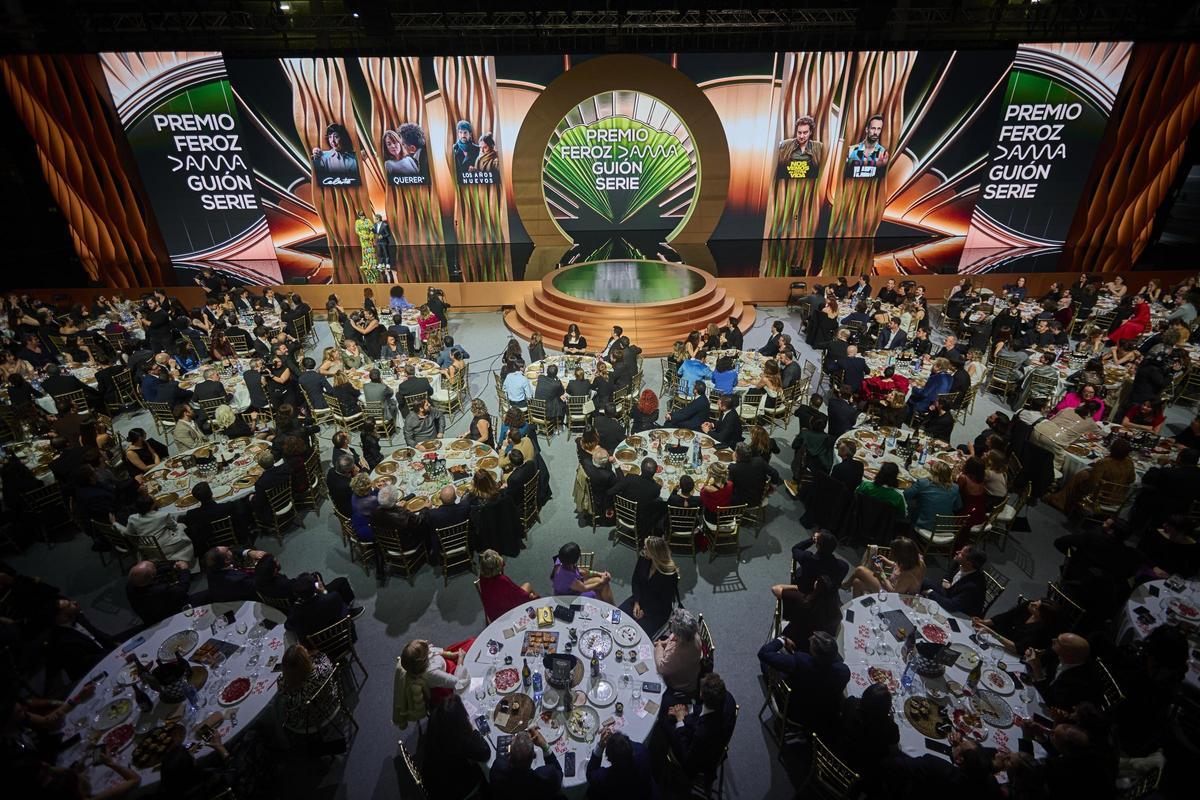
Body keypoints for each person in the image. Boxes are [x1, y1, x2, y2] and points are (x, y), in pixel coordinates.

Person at [757, 631, 849, 736]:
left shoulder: (801, 662)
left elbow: (763, 653)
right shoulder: (844, 672)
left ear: (814, 653)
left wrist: (782, 640)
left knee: (766, 664)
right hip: (823, 715)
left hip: (794, 712)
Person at [662, 672, 737, 779]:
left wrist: (680, 720)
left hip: (696, 759)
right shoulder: (728, 697)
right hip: (713, 731)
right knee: (674, 706)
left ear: (701, 694)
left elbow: (687, 759)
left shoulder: (702, 732)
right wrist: (686, 710)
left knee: (666, 719)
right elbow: (701, 709)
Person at [420, 695, 491, 799]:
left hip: (432, 779)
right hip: (453, 791)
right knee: (486, 772)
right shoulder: (459, 740)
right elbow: (485, 753)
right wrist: (473, 730)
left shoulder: (435, 720)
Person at [392, 638, 471, 728]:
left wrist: (452, 655)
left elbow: (434, 652)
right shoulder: (432, 673)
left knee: (471, 642)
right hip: (447, 679)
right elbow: (459, 682)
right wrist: (460, 658)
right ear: (424, 659)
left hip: (444, 664)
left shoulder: (421, 661)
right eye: (425, 647)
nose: (427, 642)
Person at [618, 536, 680, 636]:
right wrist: (637, 602)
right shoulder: (643, 559)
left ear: (654, 553)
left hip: (656, 612)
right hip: (639, 600)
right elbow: (635, 581)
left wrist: (644, 612)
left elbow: (664, 602)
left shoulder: (670, 574)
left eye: (646, 549)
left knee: (635, 636)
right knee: (615, 618)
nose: (643, 550)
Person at [112, 493, 195, 566]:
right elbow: (174, 527)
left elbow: (128, 533)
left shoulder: (133, 518)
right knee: (182, 527)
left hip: (146, 550)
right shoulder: (162, 515)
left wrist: (115, 524)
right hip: (165, 548)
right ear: (152, 505)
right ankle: (187, 563)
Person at [1025, 632, 1100, 711]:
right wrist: (1034, 656)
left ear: (1068, 654)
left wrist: (1036, 668)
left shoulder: (1080, 681)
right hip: (1038, 694)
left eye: (1058, 641)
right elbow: (1038, 660)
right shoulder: (1059, 653)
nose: (1053, 640)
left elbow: (1052, 702)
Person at [277, 643, 338, 736]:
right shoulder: (323, 670)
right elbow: (322, 655)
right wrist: (314, 654)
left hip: (303, 722)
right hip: (329, 705)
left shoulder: (282, 683)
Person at [972, 597, 1063, 656]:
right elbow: (1006, 616)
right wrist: (984, 622)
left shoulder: (1041, 631)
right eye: (1036, 601)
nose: (1032, 603)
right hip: (1000, 640)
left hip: (1011, 652)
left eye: (1035, 607)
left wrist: (991, 632)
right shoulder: (1027, 606)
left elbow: (1017, 648)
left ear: (1042, 616)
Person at [489, 730, 563, 799]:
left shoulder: (498, 768)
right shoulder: (545, 776)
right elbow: (558, 772)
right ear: (533, 756)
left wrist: (514, 749)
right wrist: (544, 745)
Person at [586, 729, 658, 800]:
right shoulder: (642, 751)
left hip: (625, 795)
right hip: (646, 791)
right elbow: (628, 744)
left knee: (591, 792)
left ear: (609, 759)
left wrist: (600, 745)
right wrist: (617, 740)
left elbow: (590, 774)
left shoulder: (608, 778)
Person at [846, 536, 924, 597]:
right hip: (890, 585)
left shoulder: (907, 576)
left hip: (893, 597)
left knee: (860, 570)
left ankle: (845, 585)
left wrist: (882, 574)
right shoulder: (916, 559)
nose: (891, 553)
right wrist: (887, 561)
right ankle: (856, 609)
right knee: (857, 582)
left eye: (893, 552)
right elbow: (898, 567)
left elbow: (893, 593)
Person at [921, 545, 988, 616]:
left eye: (961, 554)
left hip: (961, 613)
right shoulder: (959, 562)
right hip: (950, 594)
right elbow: (949, 573)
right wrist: (946, 580)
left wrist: (930, 593)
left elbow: (952, 606)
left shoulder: (972, 586)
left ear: (969, 563)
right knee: (923, 581)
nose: (957, 552)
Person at [655, 608, 705, 700]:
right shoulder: (694, 635)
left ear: (680, 636)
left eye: (674, 632)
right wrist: (664, 642)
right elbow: (672, 638)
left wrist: (659, 647)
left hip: (679, 685)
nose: (672, 634)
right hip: (690, 671)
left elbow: (661, 668)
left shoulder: (677, 654)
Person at [477, 549, 538, 622]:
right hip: (506, 614)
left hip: (492, 612)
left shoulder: (483, 576)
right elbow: (519, 595)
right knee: (528, 585)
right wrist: (530, 596)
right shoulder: (502, 580)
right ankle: (539, 605)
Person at [125, 560, 191, 625]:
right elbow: (183, 589)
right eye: (154, 567)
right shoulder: (160, 590)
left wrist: (171, 566)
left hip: (148, 618)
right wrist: (184, 570)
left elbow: (153, 572)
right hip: (166, 618)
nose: (156, 567)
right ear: (152, 575)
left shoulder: (131, 585)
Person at [904, 459, 962, 531]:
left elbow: (905, 495)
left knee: (911, 504)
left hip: (925, 526)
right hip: (945, 528)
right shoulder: (955, 487)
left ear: (932, 473)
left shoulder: (923, 483)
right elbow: (957, 507)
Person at [550, 541, 614, 603]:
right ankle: (610, 606)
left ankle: (606, 604)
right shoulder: (569, 578)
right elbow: (584, 588)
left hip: (572, 588)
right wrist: (603, 581)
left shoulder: (561, 560)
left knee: (600, 582)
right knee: (602, 584)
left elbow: (580, 571)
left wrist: (599, 574)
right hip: (567, 598)